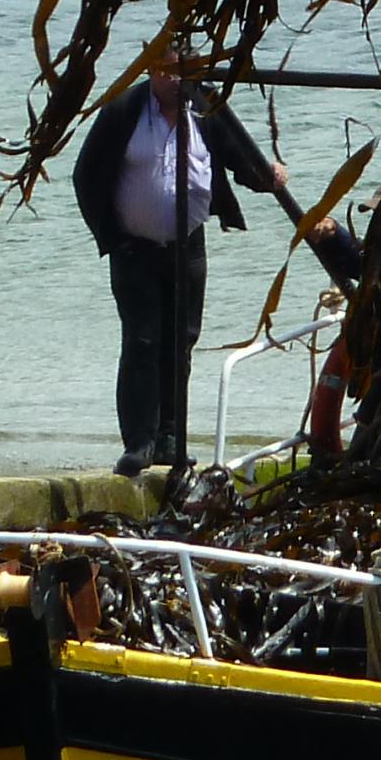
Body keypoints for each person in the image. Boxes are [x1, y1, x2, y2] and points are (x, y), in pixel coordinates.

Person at [72, 48, 282, 475]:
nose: (175, 79)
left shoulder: (205, 108)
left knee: (180, 343)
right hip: (135, 248)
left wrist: (269, 175)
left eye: (184, 71)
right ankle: (139, 441)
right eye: (167, 70)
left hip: (187, 247)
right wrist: (111, 238)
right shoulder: (124, 109)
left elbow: (241, 160)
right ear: (152, 69)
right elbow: (86, 174)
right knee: (142, 342)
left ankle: (172, 437)